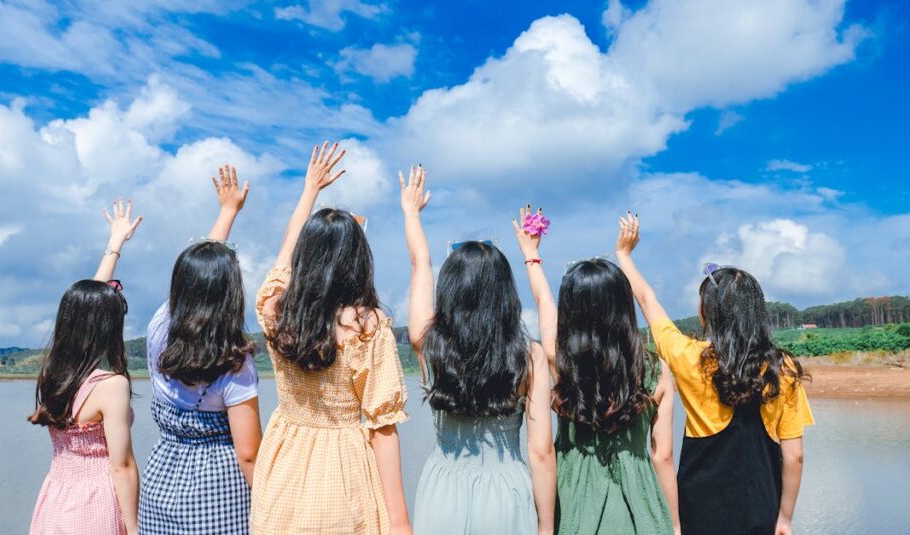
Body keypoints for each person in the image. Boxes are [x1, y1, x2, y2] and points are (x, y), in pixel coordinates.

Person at [614, 213, 813, 535]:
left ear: (708, 310)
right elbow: (795, 457)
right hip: (762, 505)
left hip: (699, 507)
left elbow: (648, 302)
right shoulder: (783, 369)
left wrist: (624, 254)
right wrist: (785, 518)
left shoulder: (689, 357)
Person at [251, 142, 412, 535]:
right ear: (358, 260)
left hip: (282, 463)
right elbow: (384, 428)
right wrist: (400, 522)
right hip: (344, 470)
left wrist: (309, 191)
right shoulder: (368, 327)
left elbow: (283, 259)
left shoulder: (275, 311)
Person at [402, 167, 556, 535]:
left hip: (442, 489)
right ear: (504, 293)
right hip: (506, 491)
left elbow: (419, 263)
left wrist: (411, 214)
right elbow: (540, 452)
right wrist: (547, 526)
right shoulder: (528, 356)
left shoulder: (430, 345)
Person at [512, 205, 679, 535]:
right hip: (639, 504)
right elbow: (663, 458)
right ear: (622, 306)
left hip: (575, 498)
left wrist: (531, 255)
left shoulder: (558, 363)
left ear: (570, 311)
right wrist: (673, 524)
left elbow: (545, 303)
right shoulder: (655, 370)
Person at [137, 166, 262, 535]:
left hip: (162, 482)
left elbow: (199, 279)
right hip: (219, 491)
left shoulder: (160, 326)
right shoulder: (235, 364)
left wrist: (226, 212)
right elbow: (249, 453)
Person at [29, 198, 143, 535]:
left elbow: (87, 307)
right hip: (95, 504)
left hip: (55, 498)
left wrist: (115, 245)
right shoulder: (111, 385)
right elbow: (122, 466)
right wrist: (135, 529)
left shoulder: (57, 372)